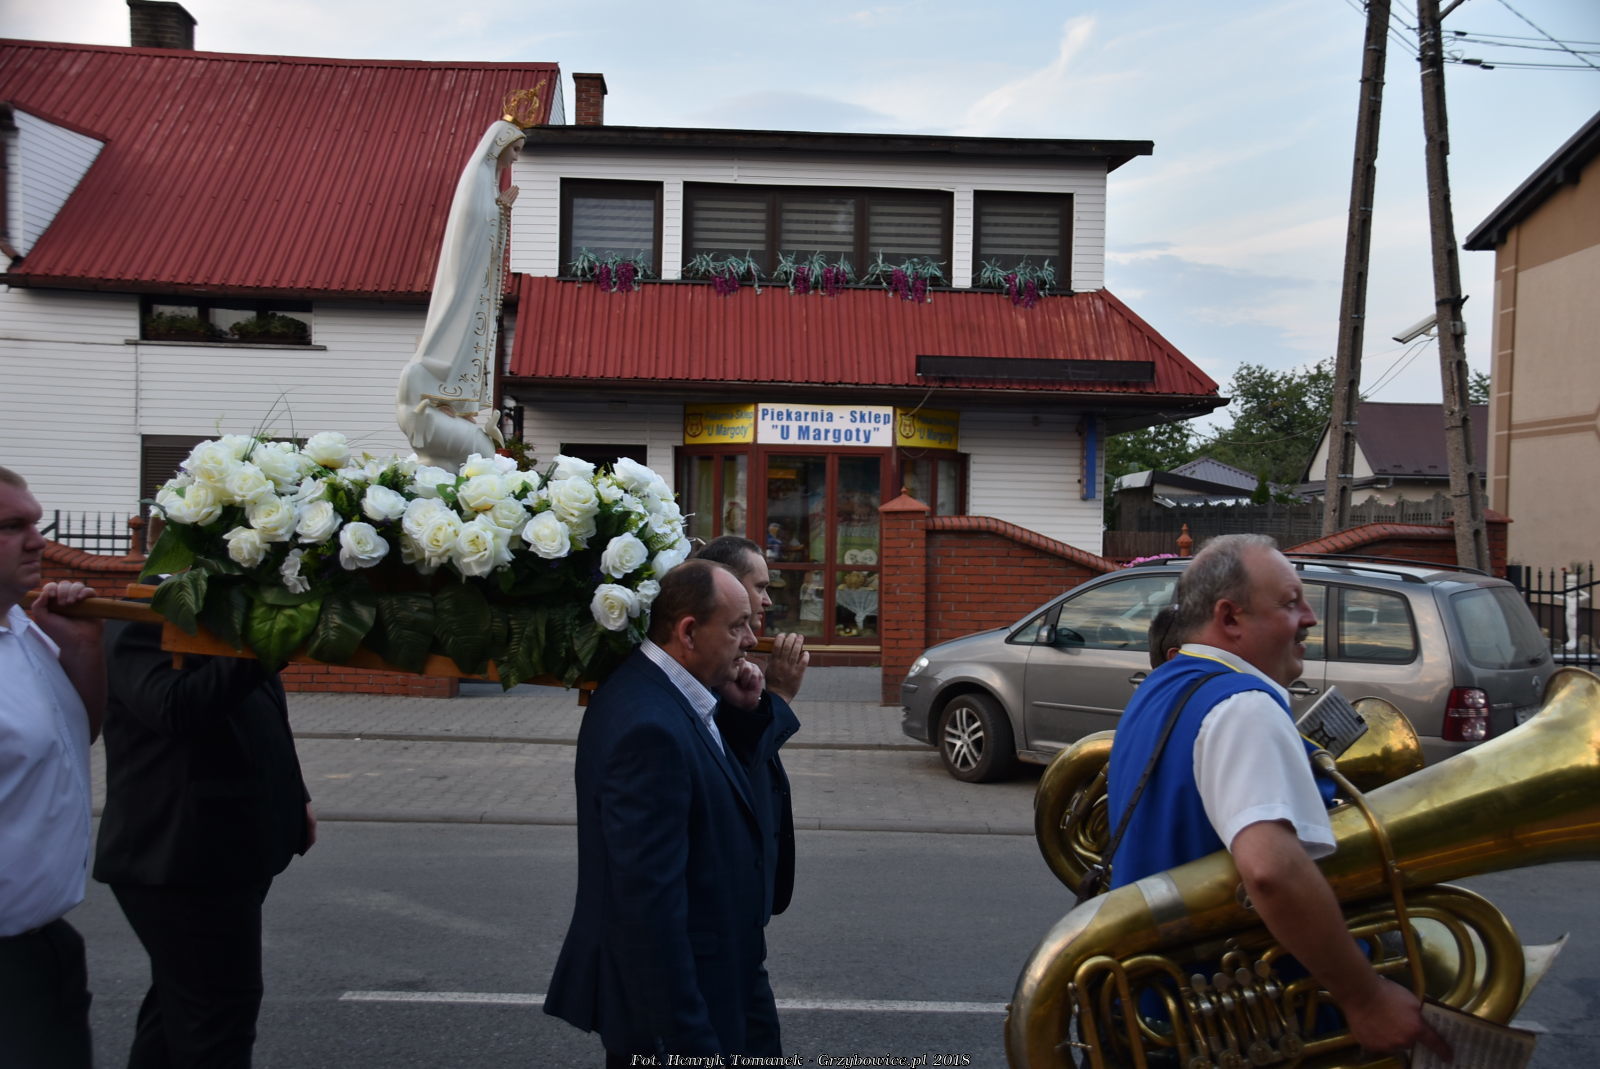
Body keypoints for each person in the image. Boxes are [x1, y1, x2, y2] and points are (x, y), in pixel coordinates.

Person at [1105, 534, 1450, 1061]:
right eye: (1290, 603)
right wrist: (1365, 997)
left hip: (1166, 1014)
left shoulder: (1164, 685)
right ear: (1230, 618)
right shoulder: (1244, 705)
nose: (1309, 618)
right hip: (1238, 1030)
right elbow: (1271, 872)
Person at [545, 559, 776, 1065]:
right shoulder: (649, 727)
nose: (751, 640)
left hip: (724, 979)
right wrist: (688, 1044)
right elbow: (649, 914)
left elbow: (710, 796)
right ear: (688, 632)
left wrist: (743, 715)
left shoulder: (673, 693)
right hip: (690, 1007)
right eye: (737, 626)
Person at [94, 620, 315, 1067]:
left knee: (179, 1009)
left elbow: (261, 711)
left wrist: (297, 797)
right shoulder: (142, 623)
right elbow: (175, 708)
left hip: (227, 850)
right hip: (181, 857)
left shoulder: (223, 613)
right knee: (217, 1021)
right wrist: (264, 647)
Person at [0, 465, 104, 1068]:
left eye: (35, 523)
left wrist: (83, 646)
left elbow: (67, 742)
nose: (38, 541)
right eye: (11, 526)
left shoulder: (22, 627)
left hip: (45, 946)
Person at [693, 536, 803, 1028]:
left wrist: (762, 701)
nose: (768, 600)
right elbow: (740, 765)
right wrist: (779, 696)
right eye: (760, 586)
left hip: (742, 912)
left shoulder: (732, 665)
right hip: (719, 916)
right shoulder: (706, 668)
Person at [395, 113, 525, 469]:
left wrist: (501, 211)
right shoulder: (478, 179)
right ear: (499, 145)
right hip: (466, 279)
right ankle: (445, 394)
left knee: (472, 332)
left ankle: (456, 403)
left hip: (478, 280)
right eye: (515, 149)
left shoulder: (489, 182)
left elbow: (487, 226)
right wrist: (500, 211)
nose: (515, 158)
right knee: (460, 325)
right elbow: (473, 226)